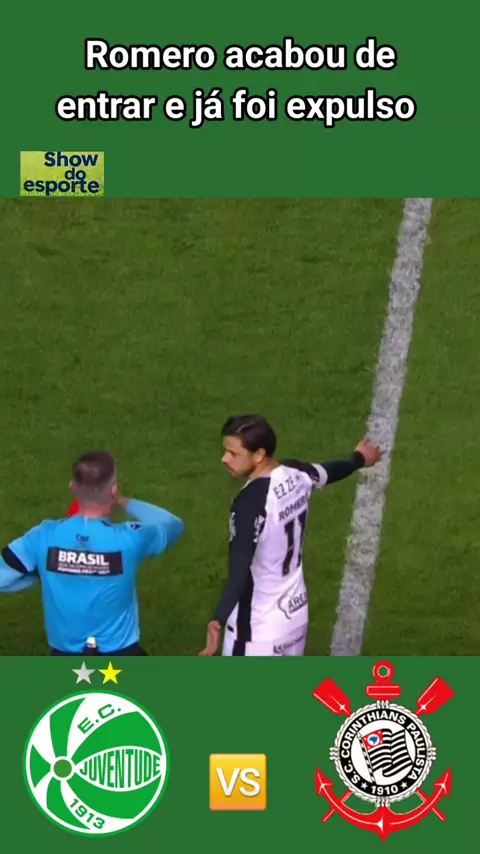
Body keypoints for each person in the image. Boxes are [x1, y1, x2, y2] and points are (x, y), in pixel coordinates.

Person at [199, 415, 381, 657]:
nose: (224, 459)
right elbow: (327, 472)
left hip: (257, 630)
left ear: (259, 454)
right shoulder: (295, 472)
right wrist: (359, 458)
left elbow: (239, 569)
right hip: (294, 618)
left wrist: (218, 619)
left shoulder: (249, 503)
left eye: (233, 453)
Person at [0, 450, 184, 655]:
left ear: (73, 487)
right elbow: (172, 525)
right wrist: (123, 501)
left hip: (64, 658)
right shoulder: (130, 539)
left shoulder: (42, 536)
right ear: (113, 489)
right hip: (123, 655)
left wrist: (37, 574)